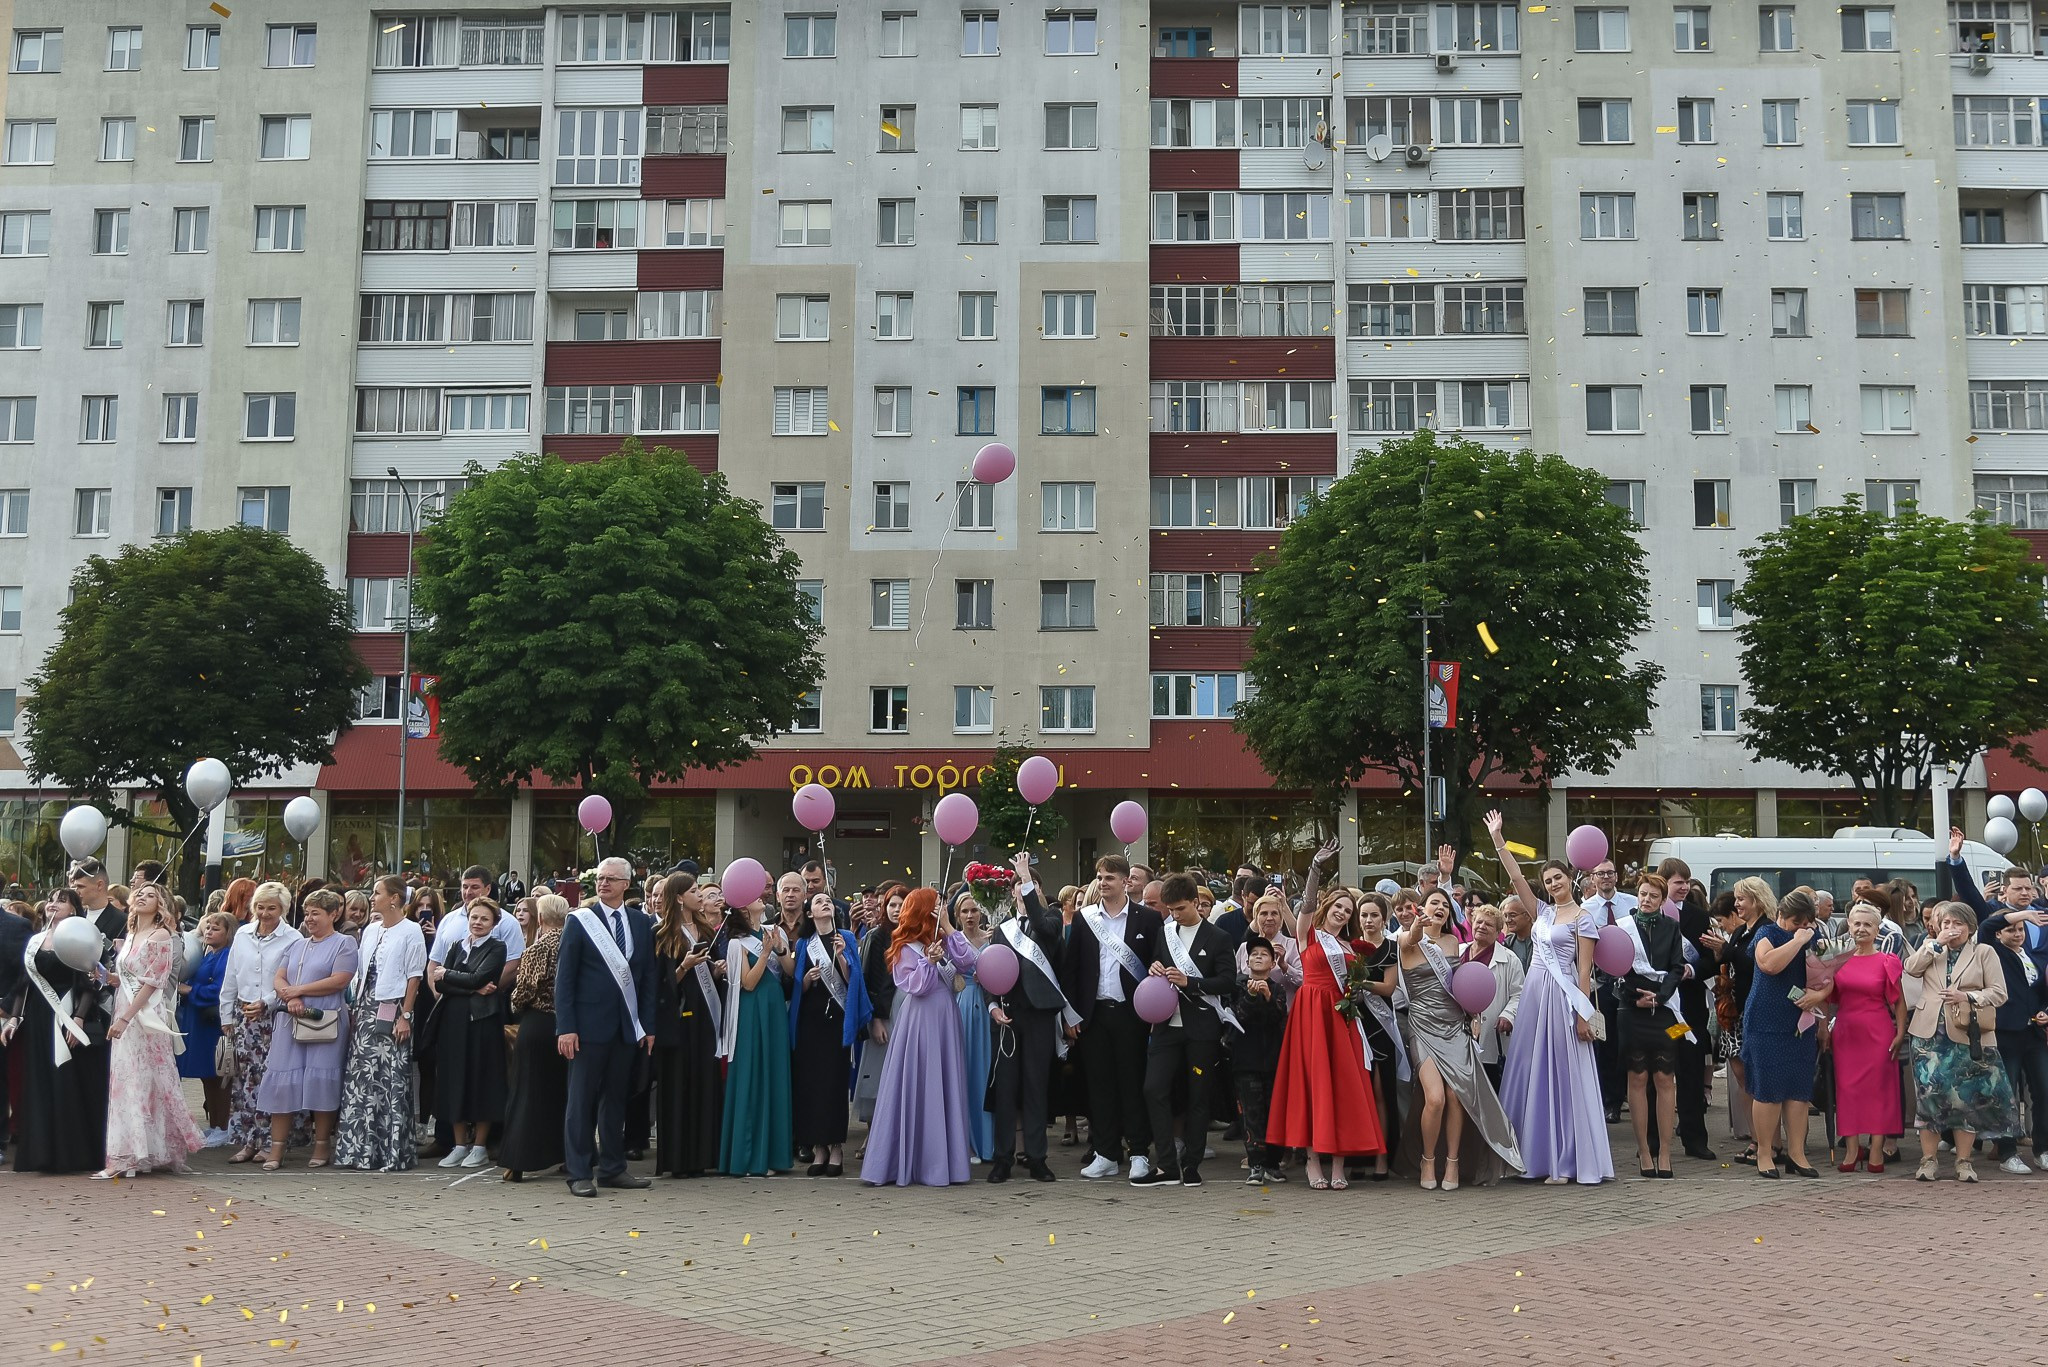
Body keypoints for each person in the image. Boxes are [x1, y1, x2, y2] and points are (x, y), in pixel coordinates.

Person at [1488, 810, 1613, 1185]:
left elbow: (1586, 971)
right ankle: (1528, 1155)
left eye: (1558, 877)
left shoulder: (1583, 919)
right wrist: (1498, 838)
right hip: (1534, 1000)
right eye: (1547, 880)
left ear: (1570, 878)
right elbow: (1512, 876)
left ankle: (1565, 1160)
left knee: (1563, 1075)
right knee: (1530, 1071)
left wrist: (1582, 1015)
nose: (1553, 883)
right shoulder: (1540, 912)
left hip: (1563, 1000)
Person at [1396, 875, 1522, 1190]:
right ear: (1420, 908)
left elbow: (1465, 985)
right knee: (1435, 1098)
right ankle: (1427, 1159)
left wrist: (1475, 1015)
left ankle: (1452, 1162)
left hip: (1454, 1027)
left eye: (1443, 903)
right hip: (1423, 1027)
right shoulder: (1406, 940)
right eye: (1432, 902)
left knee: (1457, 1096)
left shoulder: (1454, 942)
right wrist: (1417, 926)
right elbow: (1411, 938)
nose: (1439, 907)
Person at [1269, 857, 1387, 1189]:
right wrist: (1316, 869)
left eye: (1348, 911)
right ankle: (1312, 1160)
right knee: (1313, 1084)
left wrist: (1356, 993)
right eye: (1339, 906)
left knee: (1342, 1087)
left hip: (1340, 1017)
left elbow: (1355, 986)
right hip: (1310, 1013)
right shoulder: (1309, 934)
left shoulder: (1351, 947)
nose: (1343, 913)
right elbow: (1307, 903)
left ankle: (1339, 1163)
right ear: (1328, 906)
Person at [861, 888, 983, 1187]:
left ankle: (945, 1163)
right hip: (920, 1019)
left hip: (945, 1017)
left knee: (944, 1084)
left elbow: (970, 961)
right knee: (920, 1083)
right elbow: (916, 986)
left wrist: (949, 926)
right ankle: (912, 1162)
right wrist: (929, 962)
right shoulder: (904, 946)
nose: (940, 909)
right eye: (936, 906)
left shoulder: (942, 940)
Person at [555, 856, 658, 1196]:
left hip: (626, 1027)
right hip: (586, 1028)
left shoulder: (640, 923)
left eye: (611, 879)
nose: (603, 884)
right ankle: (579, 1171)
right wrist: (566, 1026)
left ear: (626, 883)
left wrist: (647, 1026)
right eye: (600, 879)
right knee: (580, 1101)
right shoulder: (581, 921)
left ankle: (613, 1167)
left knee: (616, 1099)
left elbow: (646, 979)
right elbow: (565, 979)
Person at [1128, 872, 1237, 1189]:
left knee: (1198, 1097)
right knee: (1153, 1088)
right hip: (1165, 1025)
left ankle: (1191, 1164)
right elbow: (1157, 964)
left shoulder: (1218, 938)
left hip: (1200, 1027)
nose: (1175, 915)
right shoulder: (1165, 933)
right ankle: (1165, 1165)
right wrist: (1155, 968)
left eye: (1180, 909)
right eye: (1170, 910)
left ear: (1195, 903)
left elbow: (1228, 981)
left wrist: (1192, 982)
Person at [1063, 854, 1165, 1181]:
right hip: (1095, 1015)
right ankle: (1106, 1153)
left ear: (1126, 882)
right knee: (1100, 1086)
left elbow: (1157, 961)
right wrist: (1071, 1015)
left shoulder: (1147, 919)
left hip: (1131, 1015)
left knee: (1132, 1084)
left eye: (1109, 877)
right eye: (1100, 877)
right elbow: (1072, 969)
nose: (1103, 882)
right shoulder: (1084, 918)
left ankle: (1137, 1152)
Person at [97, 883, 203, 1177]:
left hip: (144, 1015)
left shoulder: (161, 936)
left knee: (146, 1078)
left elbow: (152, 982)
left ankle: (139, 1154)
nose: (143, 897)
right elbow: (130, 978)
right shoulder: (132, 934)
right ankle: (135, 1151)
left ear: (161, 904)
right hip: (125, 1008)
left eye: (151, 895)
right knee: (127, 1079)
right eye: (140, 893)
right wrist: (109, 977)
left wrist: (125, 1019)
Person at [1904, 903, 2015, 1182]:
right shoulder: (1931, 947)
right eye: (1946, 923)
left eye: (1957, 924)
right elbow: (1910, 969)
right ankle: (1928, 1160)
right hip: (1929, 1035)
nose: (1951, 929)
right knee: (1929, 1098)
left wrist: (1968, 996)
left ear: (1970, 927)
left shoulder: (1983, 952)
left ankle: (1964, 1162)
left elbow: (1999, 993)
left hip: (1968, 1035)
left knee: (1967, 1099)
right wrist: (1933, 946)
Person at [3, 890, 109, 1172]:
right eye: (51, 899)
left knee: (64, 1082)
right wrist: (14, 1018)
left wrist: (78, 1018)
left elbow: (87, 982)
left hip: (66, 1016)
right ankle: (41, 1153)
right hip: (37, 1019)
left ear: (74, 909)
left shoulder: (82, 935)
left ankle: (70, 1155)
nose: (53, 903)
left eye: (61, 900)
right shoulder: (36, 940)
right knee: (39, 1082)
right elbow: (24, 983)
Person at [255, 889, 359, 1171]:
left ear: (333, 914)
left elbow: (340, 980)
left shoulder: (344, 944)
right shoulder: (297, 945)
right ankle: (276, 1149)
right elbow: (279, 977)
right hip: (290, 1020)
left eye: (316, 913)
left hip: (323, 1020)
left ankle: (322, 1145)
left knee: (321, 1080)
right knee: (282, 1081)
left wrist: (298, 990)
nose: (309, 919)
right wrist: (292, 997)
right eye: (307, 912)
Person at [984, 852, 1071, 1184]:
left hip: (1038, 1016)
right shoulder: (1002, 930)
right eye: (1018, 887)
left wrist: (1026, 879)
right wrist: (992, 1004)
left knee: (1036, 1088)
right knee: (1006, 1089)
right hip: (1008, 1015)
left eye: (1028, 886)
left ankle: (1037, 1157)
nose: (1022, 891)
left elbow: (1048, 934)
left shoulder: (1049, 919)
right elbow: (989, 969)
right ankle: (1002, 1158)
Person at [332, 876, 425, 1173]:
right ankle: (359, 1150)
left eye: (377, 893)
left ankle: (391, 1151)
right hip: (367, 1007)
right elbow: (361, 972)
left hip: (394, 1006)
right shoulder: (371, 930)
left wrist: (405, 1015)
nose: (372, 897)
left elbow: (414, 976)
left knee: (391, 1078)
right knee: (361, 1079)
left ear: (395, 898)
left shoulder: (411, 931)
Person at [1742, 889, 1829, 1179]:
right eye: (1796, 922)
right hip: (1766, 1020)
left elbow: (1830, 976)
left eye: (1807, 923)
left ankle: (1797, 1154)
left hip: (1800, 1022)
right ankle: (1765, 1153)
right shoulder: (1766, 933)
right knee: (1768, 1090)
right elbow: (1769, 965)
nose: (1802, 928)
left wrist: (1820, 996)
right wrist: (1797, 940)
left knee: (1798, 1091)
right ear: (1781, 915)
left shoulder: (1814, 938)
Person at [223, 882, 307, 1163]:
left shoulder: (293, 938)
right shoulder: (243, 934)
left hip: (275, 1016)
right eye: (260, 906)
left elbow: (292, 978)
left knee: (271, 1080)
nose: (265, 912)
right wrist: (226, 1016)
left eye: (271, 907)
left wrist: (267, 1002)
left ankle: (271, 1141)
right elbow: (232, 976)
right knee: (244, 1081)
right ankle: (248, 1140)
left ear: (283, 909)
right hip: (243, 1014)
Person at [790, 890, 870, 1177]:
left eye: (828, 901)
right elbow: (795, 989)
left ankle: (836, 1147)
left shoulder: (846, 938)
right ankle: (818, 1148)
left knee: (834, 1083)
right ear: (810, 913)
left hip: (837, 1019)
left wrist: (843, 959)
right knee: (812, 1084)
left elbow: (854, 983)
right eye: (819, 902)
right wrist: (807, 981)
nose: (825, 904)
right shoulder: (804, 944)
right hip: (811, 1022)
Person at [1612, 875, 1686, 1178]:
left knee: (1665, 1079)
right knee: (1638, 1079)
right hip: (1631, 1011)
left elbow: (1677, 966)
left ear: (1662, 900)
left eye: (1653, 896)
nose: (1646, 900)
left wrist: (1660, 996)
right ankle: (1644, 1150)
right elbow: (1613, 969)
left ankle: (1665, 1151)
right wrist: (1635, 998)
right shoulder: (1621, 927)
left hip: (1665, 1010)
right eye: (1642, 894)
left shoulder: (1672, 928)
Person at [718, 889, 794, 1178]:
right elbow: (747, 983)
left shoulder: (773, 932)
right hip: (753, 1012)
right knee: (754, 1076)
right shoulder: (737, 944)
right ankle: (750, 1156)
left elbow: (789, 970)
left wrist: (779, 949)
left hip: (774, 1010)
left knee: (774, 1075)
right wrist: (763, 952)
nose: (761, 896)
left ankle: (774, 1153)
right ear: (741, 908)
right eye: (753, 896)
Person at [654, 880, 725, 1179]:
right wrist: (683, 967)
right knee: (678, 1083)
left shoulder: (708, 931)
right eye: (695, 891)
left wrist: (716, 971)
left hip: (705, 1017)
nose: (700, 896)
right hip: (678, 1018)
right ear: (680, 898)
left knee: (704, 1081)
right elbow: (659, 982)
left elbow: (710, 975)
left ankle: (703, 1155)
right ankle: (679, 1158)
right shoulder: (662, 934)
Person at [431, 899, 510, 1169]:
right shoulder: (456, 946)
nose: (477, 922)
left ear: (494, 924)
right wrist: (470, 986)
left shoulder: (497, 948)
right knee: (454, 1081)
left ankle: (479, 1147)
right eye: (474, 917)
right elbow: (440, 984)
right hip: (453, 1022)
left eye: (484, 919)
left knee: (481, 1081)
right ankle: (459, 1145)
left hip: (481, 1023)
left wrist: (453, 976)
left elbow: (480, 978)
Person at [498, 894, 570, 1182]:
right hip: (566, 1025)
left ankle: (519, 1159)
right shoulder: (574, 944)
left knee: (527, 1092)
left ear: (540, 918)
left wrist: (514, 1005)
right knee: (562, 1093)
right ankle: (566, 1153)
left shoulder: (538, 949)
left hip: (538, 1024)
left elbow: (525, 990)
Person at [1831, 902, 1906, 1174]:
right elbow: (1826, 996)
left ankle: (1876, 1148)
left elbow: (1899, 1002)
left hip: (1878, 1031)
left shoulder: (1888, 961)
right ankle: (1852, 1149)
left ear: (1878, 930)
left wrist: (1900, 1032)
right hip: (1846, 1031)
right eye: (1857, 924)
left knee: (1879, 1090)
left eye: (1868, 925)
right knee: (1848, 1090)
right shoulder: (1836, 957)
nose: (1862, 929)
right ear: (1848, 926)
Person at [1654, 857, 1718, 1161]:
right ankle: (1655, 1140)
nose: (1685, 887)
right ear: (1663, 882)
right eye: (1678, 882)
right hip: (1659, 1010)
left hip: (1689, 1011)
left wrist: (1693, 971)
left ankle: (1695, 1138)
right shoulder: (1646, 916)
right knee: (1659, 1071)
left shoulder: (1698, 917)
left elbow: (1710, 960)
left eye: (1687, 881)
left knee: (1690, 1071)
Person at [1978, 906, 2048, 1173]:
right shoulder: (1993, 953)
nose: (2018, 933)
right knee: (2006, 1093)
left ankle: (2043, 1149)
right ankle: (2008, 1153)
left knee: (2043, 1091)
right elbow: (1986, 927)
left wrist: (2045, 1012)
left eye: (2021, 930)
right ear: (1999, 934)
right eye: (2011, 929)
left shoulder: (2034, 958)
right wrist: (2023, 915)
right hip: (2006, 1033)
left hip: (2035, 1033)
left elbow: (2042, 992)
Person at [1703, 881, 1769, 1163]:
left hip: (1751, 1013)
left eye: (1743, 899)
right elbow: (1733, 964)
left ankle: (1766, 1142)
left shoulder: (1766, 930)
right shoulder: (1742, 931)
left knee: (1755, 1079)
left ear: (1758, 899)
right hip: (1733, 1013)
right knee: (1743, 1079)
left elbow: (1755, 964)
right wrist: (1721, 954)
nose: (1738, 904)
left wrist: (1726, 951)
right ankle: (1755, 1140)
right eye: (1737, 900)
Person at [1232, 934, 1291, 1184]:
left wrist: (1266, 997)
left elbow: (1278, 1017)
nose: (1258, 957)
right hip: (1246, 1062)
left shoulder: (1277, 988)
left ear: (1273, 962)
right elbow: (1238, 1016)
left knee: (1274, 1112)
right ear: (1247, 961)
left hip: (1273, 1061)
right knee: (1251, 1113)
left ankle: (1273, 1162)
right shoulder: (1237, 986)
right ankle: (1255, 1163)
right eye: (1254, 953)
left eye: (1264, 954)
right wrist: (1251, 995)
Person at [176, 909, 234, 1140]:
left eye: (216, 928)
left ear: (228, 932)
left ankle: (224, 1125)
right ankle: (215, 1124)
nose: (209, 931)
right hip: (198, 1019)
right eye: (208, 927)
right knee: (207, 1075)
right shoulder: (208, 952)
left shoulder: (227, 955)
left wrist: (191, 990)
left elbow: (222, 988)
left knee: (219, 1074)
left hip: (213, 1022)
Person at [948, 891, 996, 1163]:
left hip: (987, 1009)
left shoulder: (992, 939)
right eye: (964, 911)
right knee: (962, 1074)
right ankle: (963, 1143)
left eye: (974, 911)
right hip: (960, 1006)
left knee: (984, 1073)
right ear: (956, 915)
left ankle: (986, 1142)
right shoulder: (949, 941)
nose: (969, 916)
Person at [853, 883, 906, 1128]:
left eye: (901, 904)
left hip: (907, 1012)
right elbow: (867, 980)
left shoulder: (916, 934)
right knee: (878, 1072)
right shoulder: (877, 935)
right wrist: (874, 1019)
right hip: (883, 1014)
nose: (896, 910)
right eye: (892, 905)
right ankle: (873, 1133)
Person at [1461, 904, 1523, 1094]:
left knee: (1490, 1090)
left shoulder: (1509, 959)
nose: (1482, 926)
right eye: (1479, 922)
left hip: (1491, 1035)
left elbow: (1519, 994)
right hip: (1460, 1030)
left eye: (1488, 925)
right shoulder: (1458, 951)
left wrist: (1508, 1016)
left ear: (1498, 932)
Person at [1236, 893, 1303, 989]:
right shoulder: (1244, 948)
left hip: (1283, 1002)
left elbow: (1303, 980)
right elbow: (1232, 979)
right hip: (1248, 1002)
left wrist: (1284, 966)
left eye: (1274, 913)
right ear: (1256, 918)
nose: (1269, 918)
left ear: (1281, 919)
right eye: (1264, 914)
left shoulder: (1293, 946)